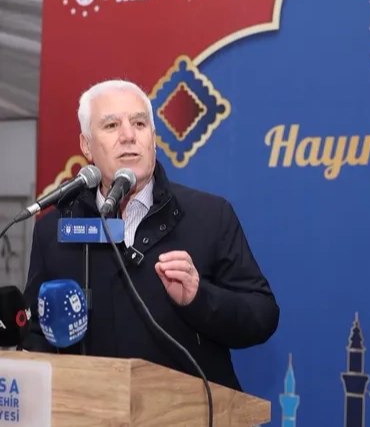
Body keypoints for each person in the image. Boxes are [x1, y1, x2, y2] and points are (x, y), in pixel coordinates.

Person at [22, 79, 280, 391]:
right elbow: (36, 332)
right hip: (93, 407)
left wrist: (199, 298)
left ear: (153, 139)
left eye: (139, 123)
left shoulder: (210, 215)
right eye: (111, 125)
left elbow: (262, 316)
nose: (128, 136)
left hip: (190, 409)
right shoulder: (55, 230)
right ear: (86, 146)